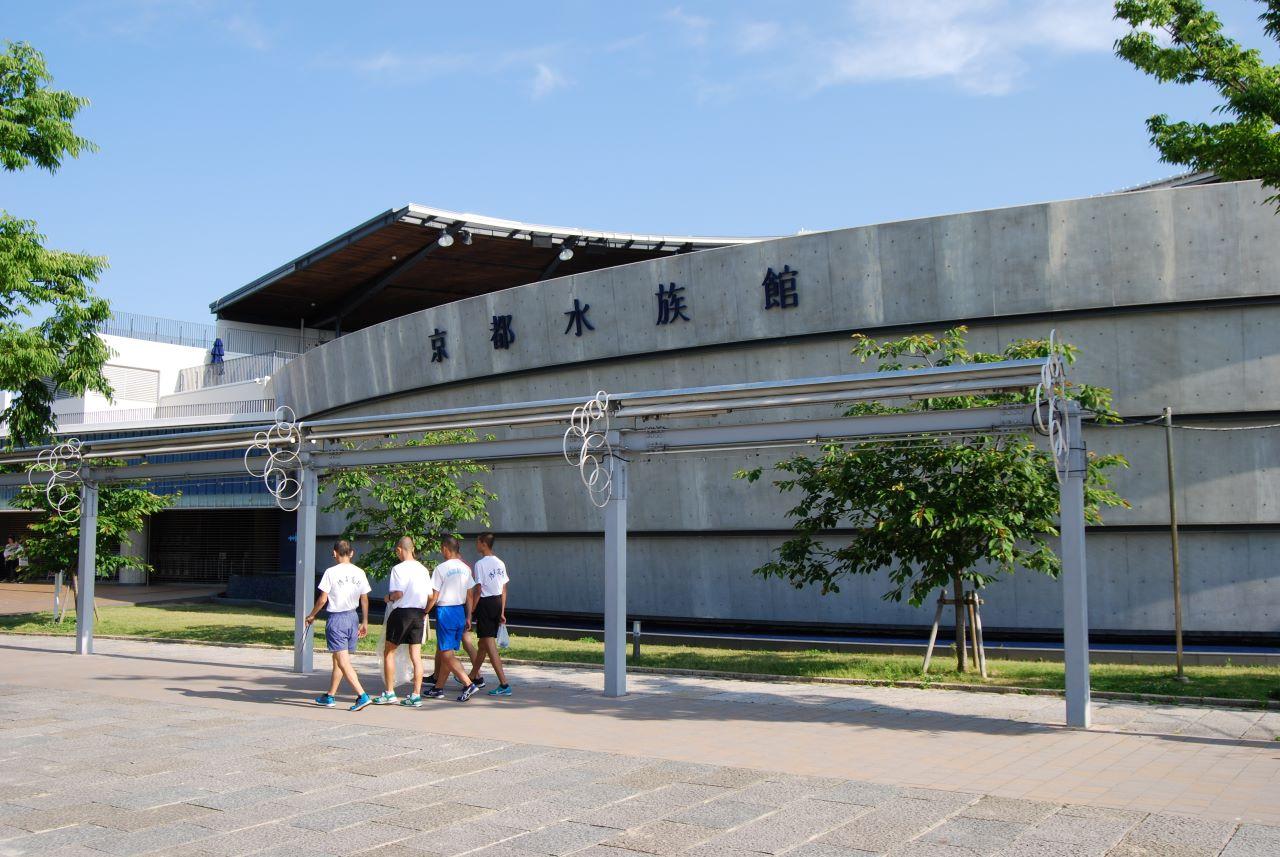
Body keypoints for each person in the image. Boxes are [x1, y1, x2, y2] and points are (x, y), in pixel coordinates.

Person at [304, 540, 373, 711]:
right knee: (338, 660)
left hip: (337, 619)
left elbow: (322, 599)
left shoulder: (331, 572)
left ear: (334, 553)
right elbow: (364, 598)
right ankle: (330, 695)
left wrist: (312, 615)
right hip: (353, 617)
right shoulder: (360, 572)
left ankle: (362, 695)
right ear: (351, 553)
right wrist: (364, 621)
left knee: (343, 661)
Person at [375, 536, 432, 707]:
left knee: (389, 652)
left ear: (400, 549)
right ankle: (416, 695)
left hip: (401, 613)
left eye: (397, 551)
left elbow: (398, 594)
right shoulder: (423, 569)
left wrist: (388, 597)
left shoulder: (398, 569)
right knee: (416, 655)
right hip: (418, 613)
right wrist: (426, 611)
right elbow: (431, 596)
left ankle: (390, 692)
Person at [424, 536, 479, 702]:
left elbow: (434, 596)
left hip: (445, 611)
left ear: (445, 549)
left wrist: (425, 611)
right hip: (459, 611)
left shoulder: (441, 569)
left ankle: (468, 683)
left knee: (447, 654)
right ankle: (438, 688)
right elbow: (470, 595)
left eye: (441, 549)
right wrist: (468, 616)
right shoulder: (465, 568)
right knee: (445, 651)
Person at [469, 532, 512, 696]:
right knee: (482, 645)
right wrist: (502, 611)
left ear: (483, 544)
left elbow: (478, 589)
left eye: (477, 542)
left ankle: (504, 683)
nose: (476, 545)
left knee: (489, 644)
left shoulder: (480, 564)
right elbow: (504, 588)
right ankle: (472, 676)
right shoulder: (500, 563)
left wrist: (471, 610)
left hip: (485, 604)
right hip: (497, 603)